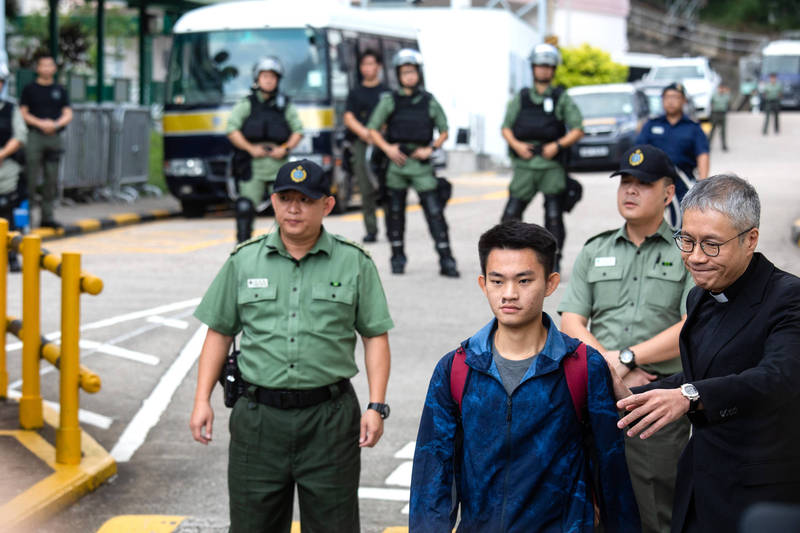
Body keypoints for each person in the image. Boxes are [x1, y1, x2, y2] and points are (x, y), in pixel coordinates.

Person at [189, 159, 394, 532]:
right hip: (258, 420)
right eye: (285, 199)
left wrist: (376, 406)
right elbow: (219, 331)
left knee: (334, 526)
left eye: (305, 199)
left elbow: (374, 336)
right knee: (253, 526)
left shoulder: (354, 263)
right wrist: (202, 399)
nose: (294, 209)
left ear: (326, 206)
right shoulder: (244, 260)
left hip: (329, 420)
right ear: (273, 201)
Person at [409, 220, 640, 532]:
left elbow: (612, 472)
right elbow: (432, 475)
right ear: (482, 284)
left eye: (524, 280)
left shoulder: (582, 366)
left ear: (550, 283)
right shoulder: (456, 369)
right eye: (497, 281)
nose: (509, 294)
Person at [615, 175, 800, 533]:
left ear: (751, 239)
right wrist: (625, 397)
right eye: (686, 240)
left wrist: (689, 396)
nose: (695, 257)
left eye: (711, 244)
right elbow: (699, 375)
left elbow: (778, 377)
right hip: (700, 484)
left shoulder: (788, 298)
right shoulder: (699, 296)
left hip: (760, 497)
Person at [559, 145, 694, 533]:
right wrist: (612, 369)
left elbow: (691, 325)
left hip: (655, 400)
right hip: (594, 393)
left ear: (669, 193)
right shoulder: (594, 249)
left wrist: (628, 358)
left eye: (643, 184)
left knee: (655, 509)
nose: (630, 191)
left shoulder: (687, 252)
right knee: (590, 506)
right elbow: (572, 320)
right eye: (625, 182)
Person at [367, 48, 459, 277]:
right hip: (397, 163)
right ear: (398, 74)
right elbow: (372, 129)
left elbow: (445, 130)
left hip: (421, 164)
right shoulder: (390, 100)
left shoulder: (428, 100)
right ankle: (397, 257)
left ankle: (446, 259)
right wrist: (387, 149)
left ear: (419, 74)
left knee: (434, 211)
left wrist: (432, 149)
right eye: (405, 72)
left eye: (413, 72)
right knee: (395, 213)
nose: (409, 76)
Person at [500, 43, 584, 273]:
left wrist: (556, 146)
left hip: (550, 165)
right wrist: (516, 145)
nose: (544, 70)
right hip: (525, 164)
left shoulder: (560, 97)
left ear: (554, 69)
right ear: (533, 68)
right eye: (540, 66)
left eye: (548, 66)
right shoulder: (522, 97)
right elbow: (506, 127)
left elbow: (578, 128)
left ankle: (553, 261)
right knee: (511, 214)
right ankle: (506, 256)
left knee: (554, 216)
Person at [227, 56, 304, 243]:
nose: (268, 80)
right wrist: (250, 148)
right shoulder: (247, 104)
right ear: (257, 79)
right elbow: (232, 129)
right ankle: (242, 250)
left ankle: (286, 250)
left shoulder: (285, 105)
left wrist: (284, 149)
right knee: (244, 207)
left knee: (286, 210)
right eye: (264, 76)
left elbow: (298, 131)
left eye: (272, 77)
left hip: (278, 163)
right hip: (254, 164)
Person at [635, 82, 709, 227]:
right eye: (667, 97)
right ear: (662, 100)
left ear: (684, 101)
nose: (670, 101)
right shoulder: (651, 124)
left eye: (675, 97)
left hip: (682, 181)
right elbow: (639, 152)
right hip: (654, 181)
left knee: (683, 224)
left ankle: (678, 248)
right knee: (649, 223)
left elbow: (703, 155)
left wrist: (704, 184)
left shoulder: (693, 127)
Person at [19, 53, 72, 229]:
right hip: (35, 135)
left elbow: (68, 113)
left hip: (54, 137)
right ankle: (26, 218)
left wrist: (55, 124)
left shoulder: (60, 90)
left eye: (50, 65)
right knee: (30, 178)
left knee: (52, 178)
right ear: (38, 68)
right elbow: (23, 112)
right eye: (43, 65)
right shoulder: (29, 89)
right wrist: (40, 123)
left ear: (54, 68)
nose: (47, 69)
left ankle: (47, 217)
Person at [343, 49, 388, 243]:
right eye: (364, 64)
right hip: (362, 143)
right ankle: (371, 230)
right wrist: (366, 134)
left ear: (379, 66)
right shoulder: (355, 93)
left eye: (372, 63)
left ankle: (393, 229)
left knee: (388, 187)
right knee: (365, 187)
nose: (368, 68)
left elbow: (391, 116)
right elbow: (348, 117)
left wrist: (378, 135)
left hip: (385, 143)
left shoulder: (386, 93)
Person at [0, 63, 27, 271]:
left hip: (6, 167)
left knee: (8, 212)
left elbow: (19, 136)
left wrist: (2, 154)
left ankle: (11, 257)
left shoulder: (10, 108)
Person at [707, 84, 729, 152]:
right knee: (712, 131)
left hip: (723, 114)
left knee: (723, 131)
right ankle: (708, 145)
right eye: (720, 88)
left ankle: (724, 145)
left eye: (723, 88)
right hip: (715, 114)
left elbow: (728, 104)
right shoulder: (714, 95)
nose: (721, 90)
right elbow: (711, 104)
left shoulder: (726, 96)